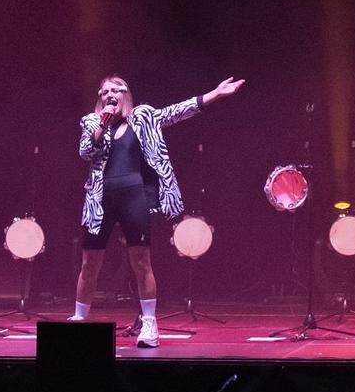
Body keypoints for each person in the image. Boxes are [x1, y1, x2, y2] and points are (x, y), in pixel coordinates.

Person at [71, 73, 244, 347]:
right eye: (105, 91)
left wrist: (215, 93)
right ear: (100, 98)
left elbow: (178, 111)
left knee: (141, 261)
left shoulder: (144, 118)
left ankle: (150, 324)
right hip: (99, 200)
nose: (110, 94)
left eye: (117, 89)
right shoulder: (92, 122)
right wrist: (102, 124)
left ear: (127, 95)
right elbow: (85, 152)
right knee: (89, 263)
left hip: (135, 197)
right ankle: (79, 319)